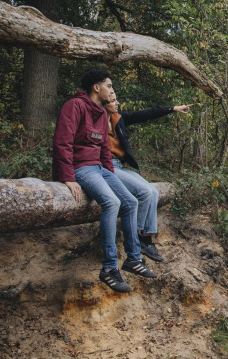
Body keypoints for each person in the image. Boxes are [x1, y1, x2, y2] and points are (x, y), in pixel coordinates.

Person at [52, 69, 157, 293]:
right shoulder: (74, 106)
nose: (111, 90)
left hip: (100, 168)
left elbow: (103, 150)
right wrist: (68, 177)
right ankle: (109, 267)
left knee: (131, 202)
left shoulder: (101, 112)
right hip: (82, 168)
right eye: (109, 86)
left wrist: (110, 174)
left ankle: (133, 258)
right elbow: (63, 142)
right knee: (112, 202)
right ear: (96, 87)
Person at [104, 94, 191, 263]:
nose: (117, 103)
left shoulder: (118, 118)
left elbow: (145, 114)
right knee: (144, 191)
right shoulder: (95, 121)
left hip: (119, 166)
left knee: (154, 192)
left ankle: (146, 239)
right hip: (106, 167)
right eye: (113, 100)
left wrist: (173, 109)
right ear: (103, 103)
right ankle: (134, 237)